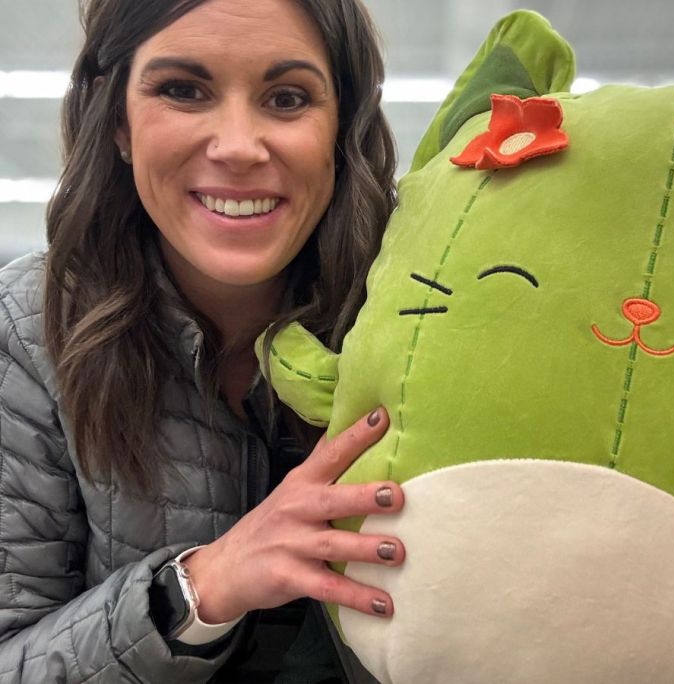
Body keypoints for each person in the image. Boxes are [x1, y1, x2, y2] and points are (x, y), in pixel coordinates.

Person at [0, 0, 404, 681]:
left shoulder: (428, 309)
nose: (239, 146)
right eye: (183, 90)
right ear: (118, 120)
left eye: (287, 97)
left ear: (344, 125)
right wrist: (203, 587)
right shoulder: (27, 330)